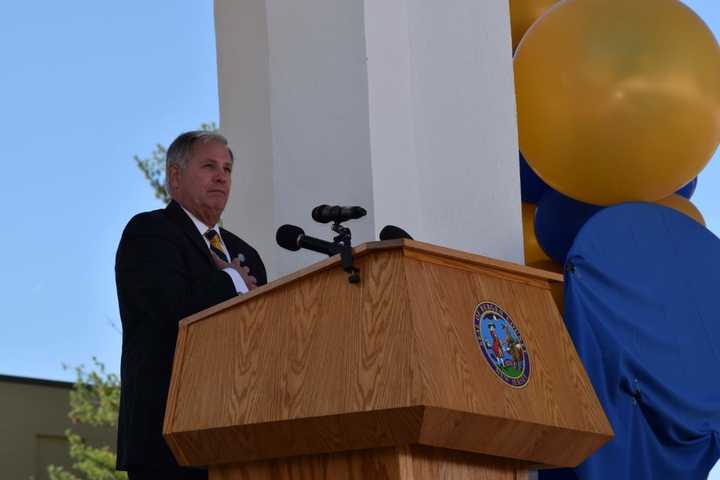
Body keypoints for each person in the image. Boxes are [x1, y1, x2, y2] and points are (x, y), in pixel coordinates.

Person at [115, 131, 267, 479]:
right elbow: (170, 313)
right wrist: (229, 280)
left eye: (227, 169)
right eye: (209, 166)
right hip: (167, 437)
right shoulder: (150, 232)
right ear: (175, 176)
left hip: (238, 432)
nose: (221, 177)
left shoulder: (246, 254)